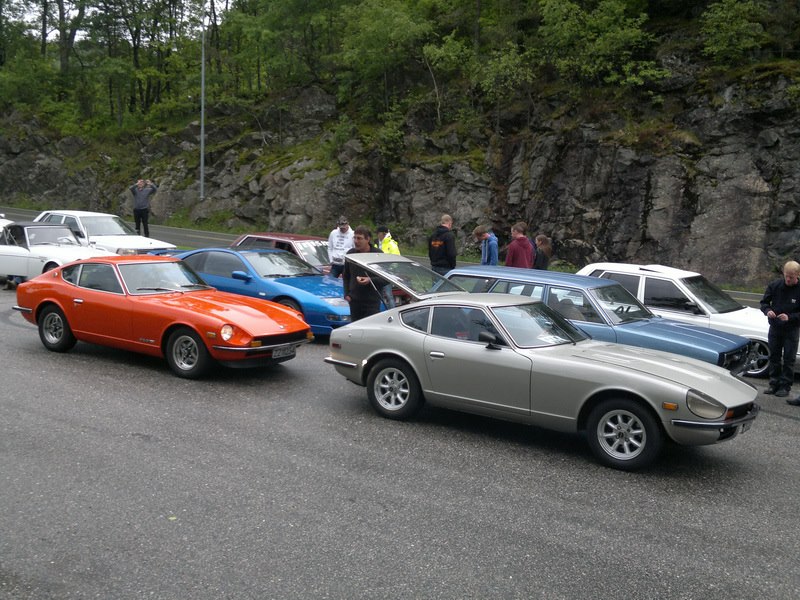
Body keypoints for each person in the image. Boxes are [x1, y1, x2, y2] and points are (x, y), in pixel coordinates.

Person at [760, 261, 800, 402]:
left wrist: (790, 317)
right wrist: (768, 310)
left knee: (789, 358)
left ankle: (785, 386)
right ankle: (774, 383)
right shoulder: (775, 285)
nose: (788, 279)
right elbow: (764, 303)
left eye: (791, 277)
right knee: (774, 356)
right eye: (786, 276)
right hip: (775, 327)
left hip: (792, 329)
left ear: (798, 275)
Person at [343, 226, 384, 321]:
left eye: (359, 238)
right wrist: (347, 294)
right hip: (354, 301)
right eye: (354, 238)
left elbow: (386, 279)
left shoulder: (378, 254)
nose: (356, 241)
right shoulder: (351, 254)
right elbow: (346, 276)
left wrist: (370, 280)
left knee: (370, 328)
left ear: (368, 239)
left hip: (372, 302)